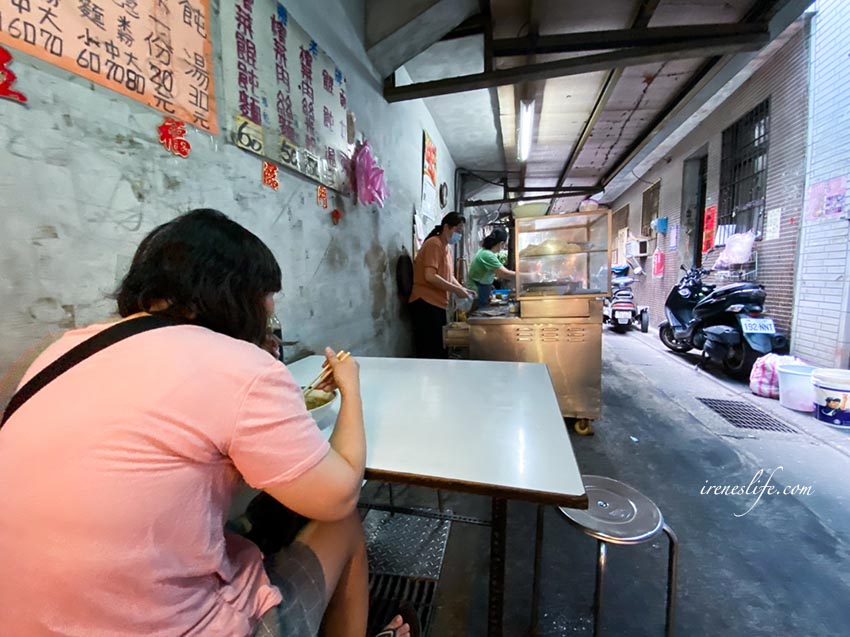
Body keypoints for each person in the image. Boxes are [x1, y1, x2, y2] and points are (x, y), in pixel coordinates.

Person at [0, 209, 415, 637]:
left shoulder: (58, 350)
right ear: (238, 295)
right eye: (268, 298)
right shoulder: (237, 365)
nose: (271, 312)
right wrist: (351, 389)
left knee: (264, 520)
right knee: (340, 523)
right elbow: (339, 495)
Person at [408, 211, 475, 358]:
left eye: (460, 232)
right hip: (425, 303)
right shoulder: (434, 244)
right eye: (457, 231)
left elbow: (448, 275)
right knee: (431, 351)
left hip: (436, 304)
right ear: (446, 227)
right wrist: (457, 291)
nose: (459, 235)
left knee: (438, 348)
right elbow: (430, 277)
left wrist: (463, 289)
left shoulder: (446, 248)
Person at [466, 227, 516, 308]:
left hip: (482, 289)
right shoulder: (488, 255)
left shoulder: (485, 251)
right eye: (504, 244)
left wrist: (489, 284)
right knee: (478, 315)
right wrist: (524, 276)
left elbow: (486, 272)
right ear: (501, 243)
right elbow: (504, 274)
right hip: (477, 292)